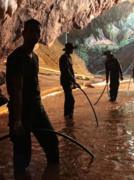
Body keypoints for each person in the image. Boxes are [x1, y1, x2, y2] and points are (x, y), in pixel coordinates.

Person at [6, 19, 59, 175]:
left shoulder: (35, 58)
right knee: (23, 157)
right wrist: (17, 121)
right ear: (23, 34)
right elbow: (17, 90)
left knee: (52, 143)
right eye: (32, 32)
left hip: (37, 109)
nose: (35, 35)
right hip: (21, 112)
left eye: (38, 32)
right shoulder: (15, 58)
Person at [59, 42, 79, 120]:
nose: (73, 50)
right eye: (72, 49)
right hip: (65, 81)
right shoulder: (63, 58)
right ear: (68, 49)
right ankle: (69, 115)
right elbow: (66, 71)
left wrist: (74, 81)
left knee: (68, 98)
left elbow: (71, 70)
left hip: (69, 81)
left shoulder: (69, 57)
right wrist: (73, 80)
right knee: (71, 99)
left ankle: (67, 116)